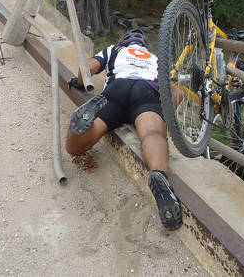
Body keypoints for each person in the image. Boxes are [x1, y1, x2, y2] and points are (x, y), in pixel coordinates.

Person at [66, 28, 182, 231]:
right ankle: (159, 174)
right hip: (145, 92)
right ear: (144, 45)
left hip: (117, 90)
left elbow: (89, 69)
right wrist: (162, 114)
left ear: (124, 41)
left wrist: (79, 81)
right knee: (153, 133)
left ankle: (80, 128)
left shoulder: (114, 50)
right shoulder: (155, 59)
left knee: (77, 146)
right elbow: (175, 92)